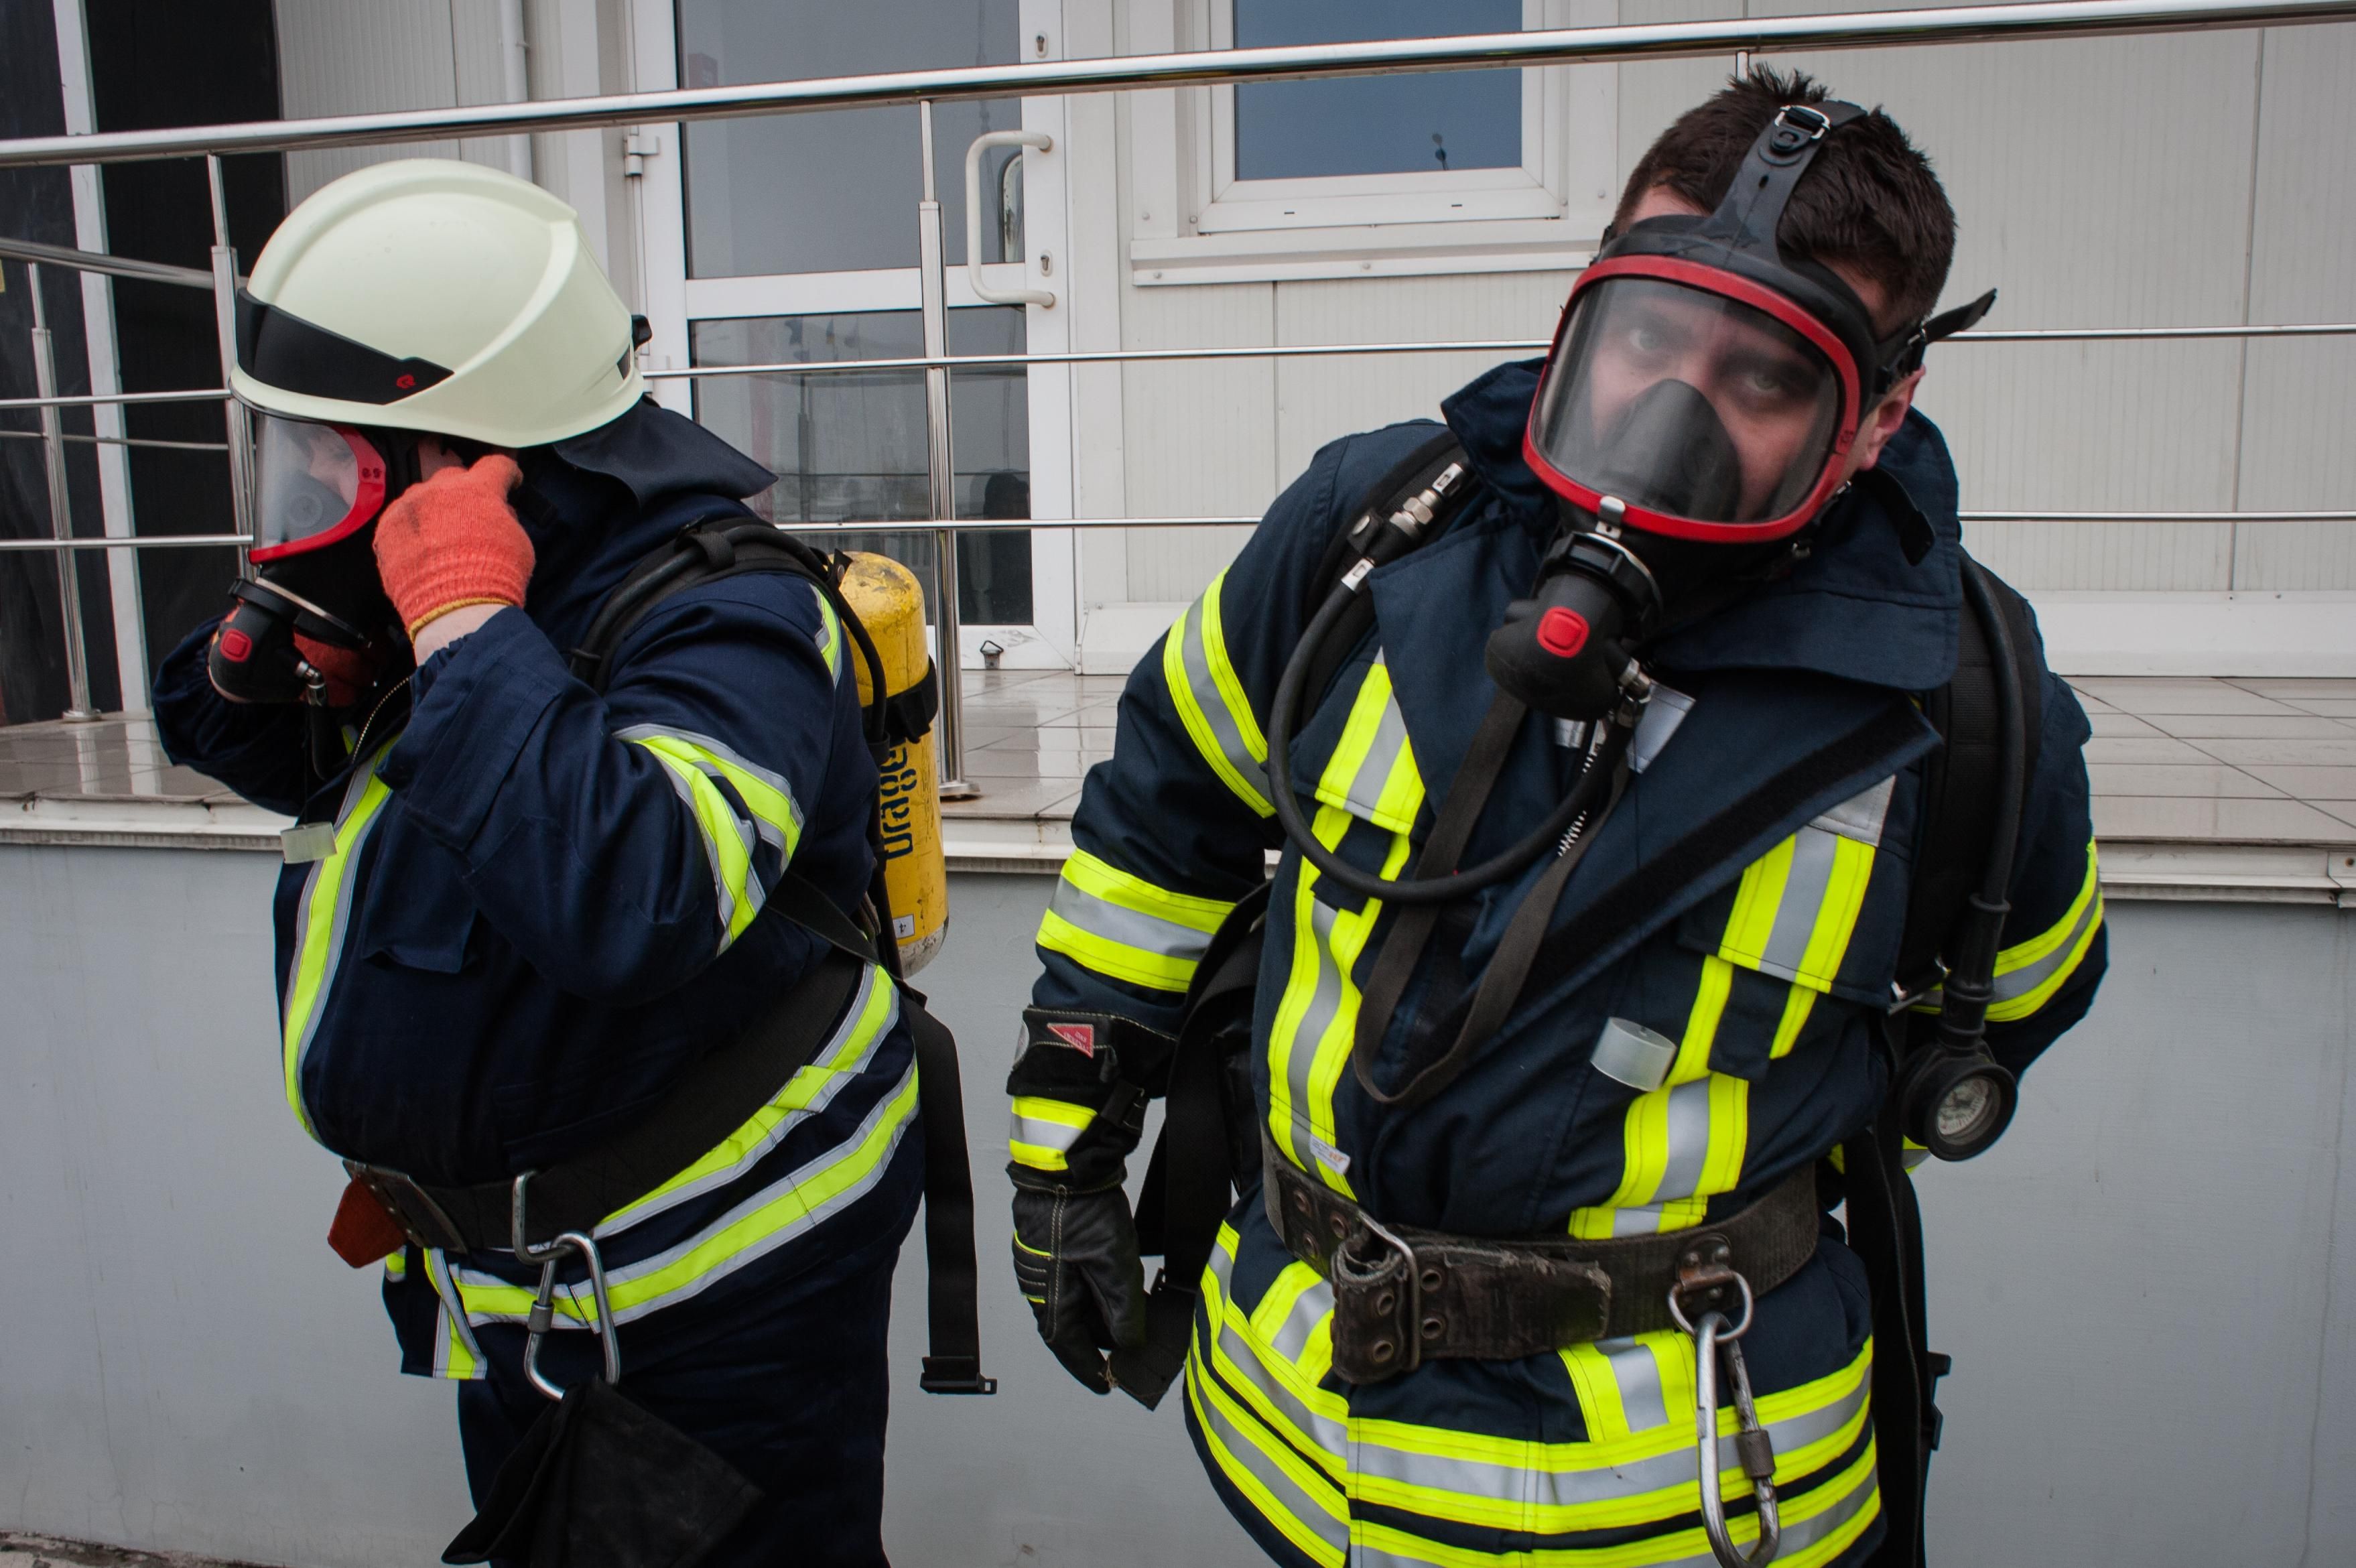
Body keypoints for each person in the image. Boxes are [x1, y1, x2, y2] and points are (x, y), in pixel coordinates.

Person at [1004, 70, 2105, 1568]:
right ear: (1585, 307)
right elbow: (1160, 822)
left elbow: (2006, 1007)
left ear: (1880, 414)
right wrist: (1065, 1150)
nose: (1671, 417)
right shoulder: (1369, 531)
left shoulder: (1960, 707)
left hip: (1686, 1507)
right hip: (1297, 1448)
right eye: (1644, 340)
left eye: (1766, 378)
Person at [155, 158, 923, 1565]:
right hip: (515, 1285)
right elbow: (233, 731)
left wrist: (462, 625)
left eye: (328, 464)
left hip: (716, 1288)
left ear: (465, 459)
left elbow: (633, 897)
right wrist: (294, 629)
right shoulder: (467, 595)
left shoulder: (735, 612)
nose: (303, 496)